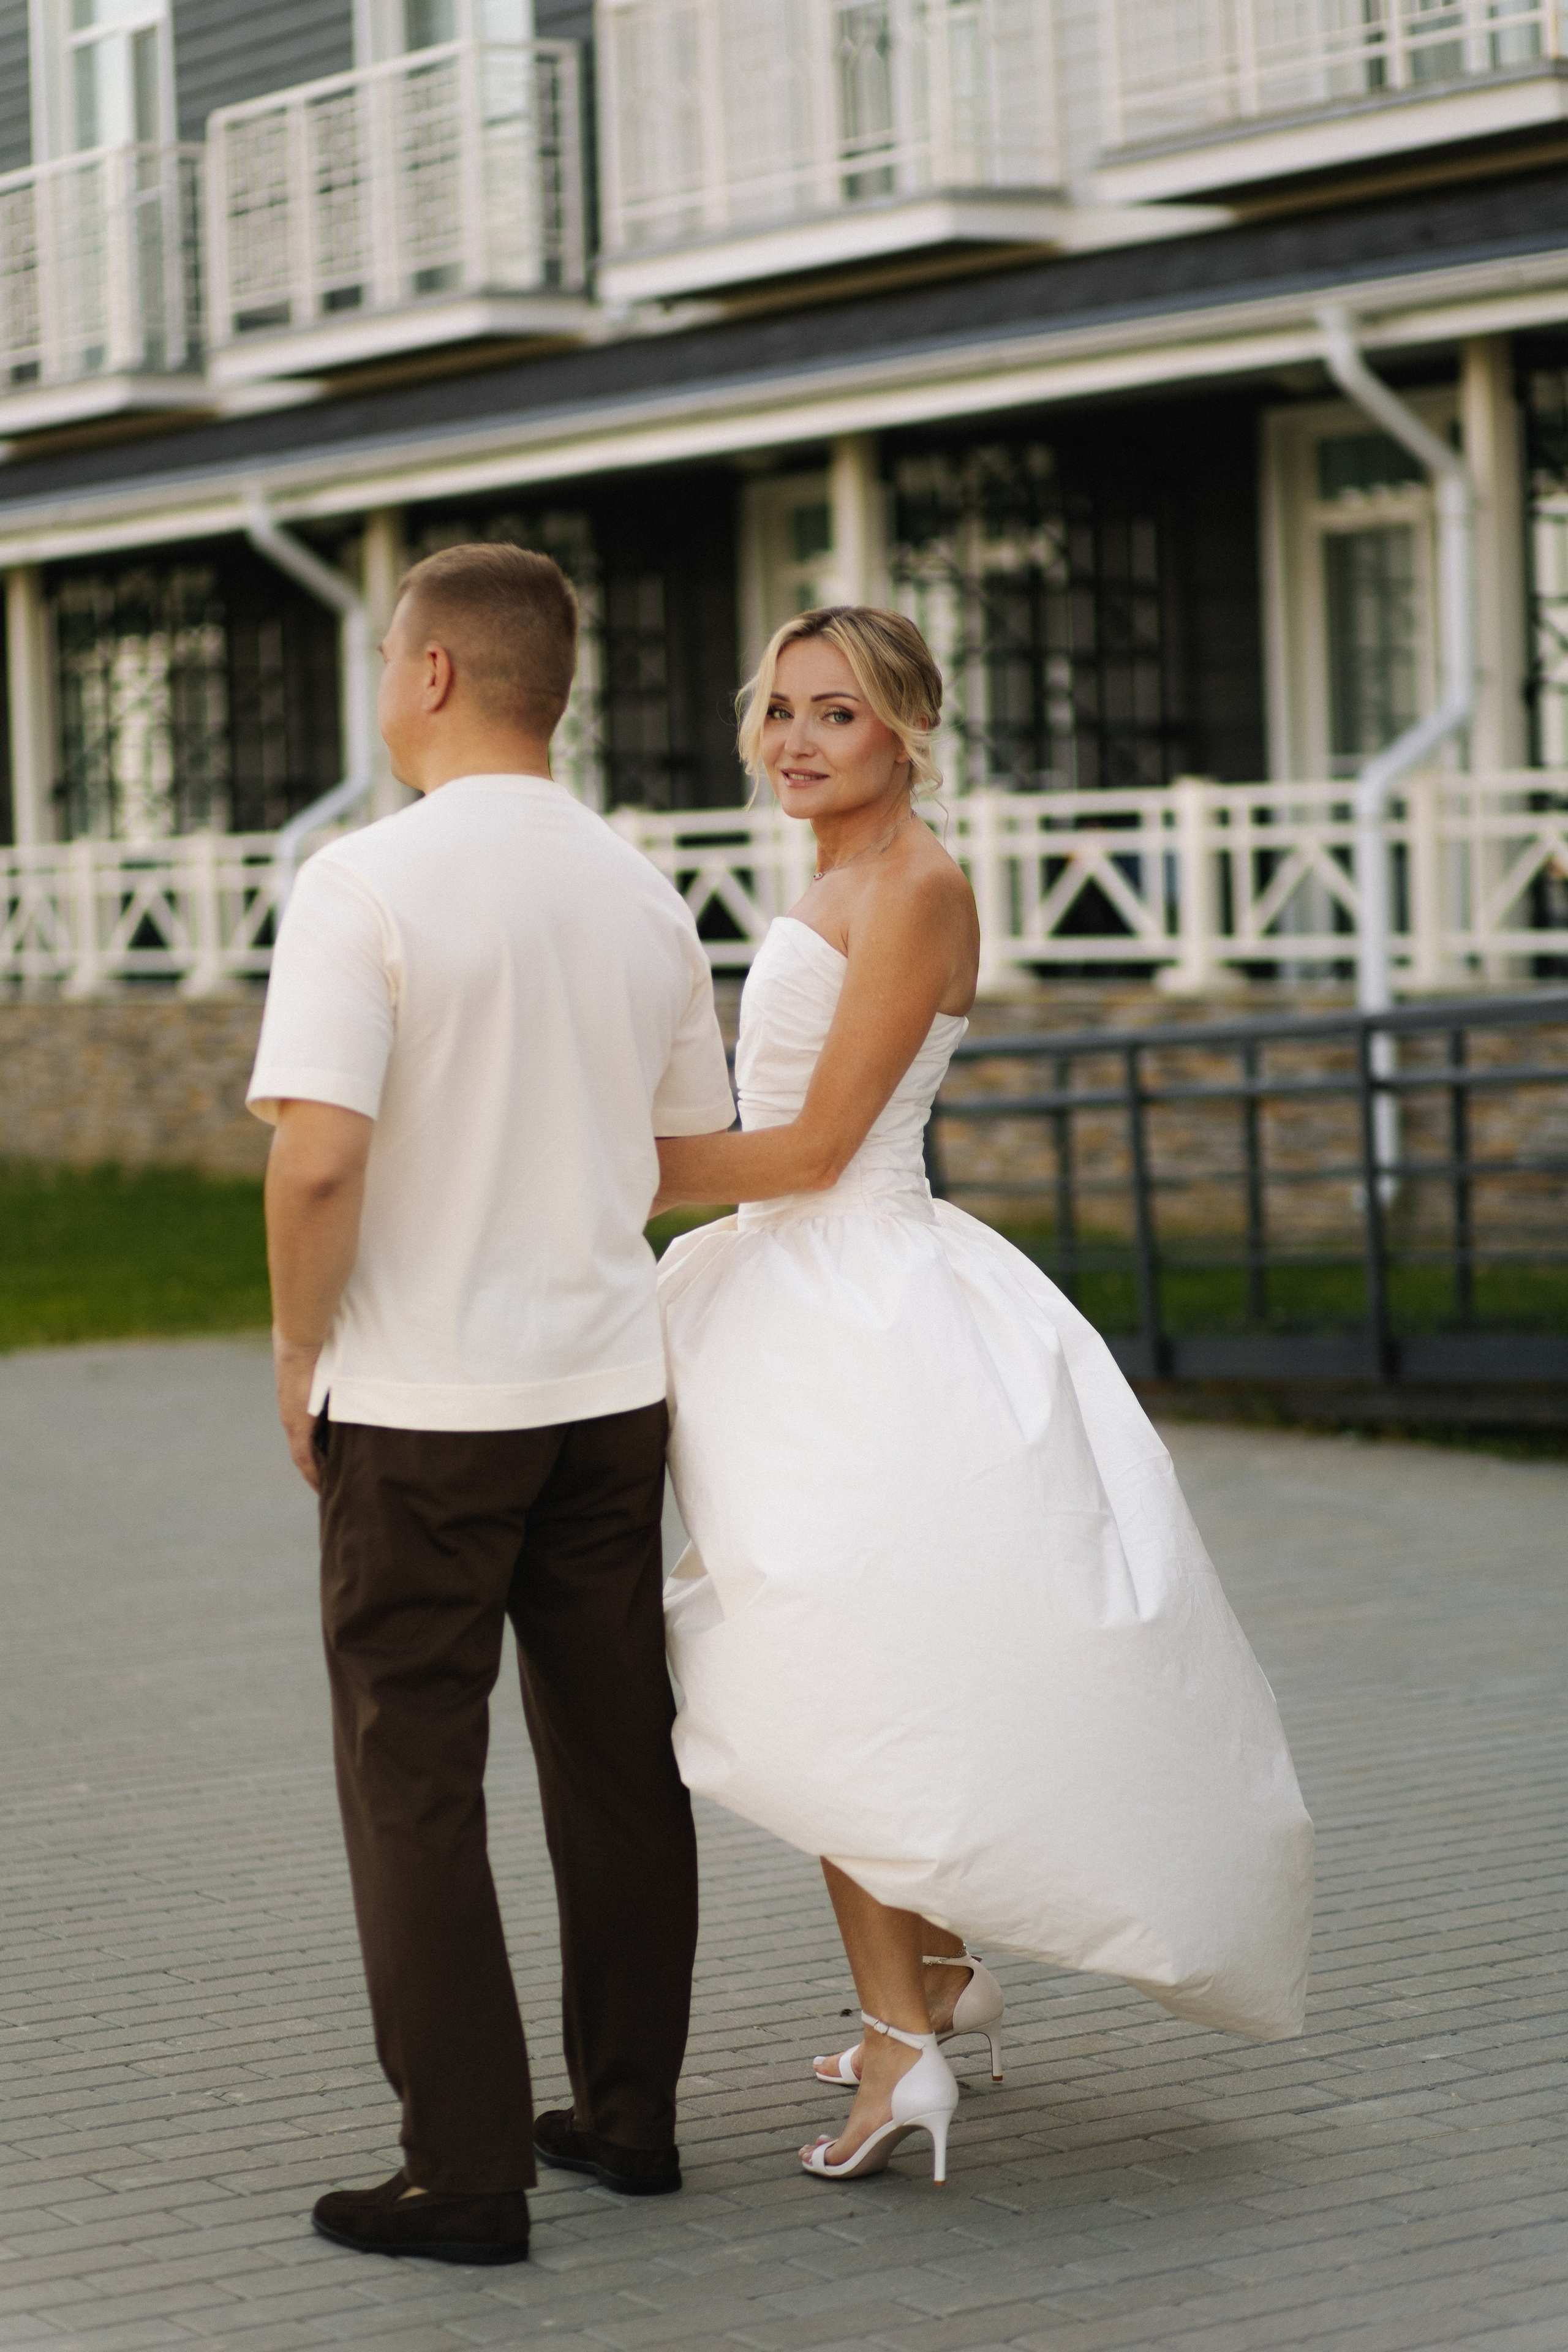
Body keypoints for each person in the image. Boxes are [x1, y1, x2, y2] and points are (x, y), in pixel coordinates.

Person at [652, 606, 1316, 2187]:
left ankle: (903, 2051)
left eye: (838, 714)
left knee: (832, 1682)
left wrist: (601, 1166)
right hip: (802, 1289)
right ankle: (939, 1981)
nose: (798, 741)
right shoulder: (844, 875)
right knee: (875, 1656)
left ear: (907, 731)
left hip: (859, 1298)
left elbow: (816, 1150)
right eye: (782, 711)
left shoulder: (916, 887)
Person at [249, 543, 734, 2264]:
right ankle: (629, 2115)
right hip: (606, 1392)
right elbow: (680, 1153)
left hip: (426, 1401)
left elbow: (318, 1159)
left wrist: (300, 1351)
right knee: (617, 1759)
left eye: (388, 654)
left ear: (437, 673)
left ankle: (463, 2174)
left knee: (414, 1772)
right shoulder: (643, 894)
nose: (383, 681)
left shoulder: (363, 882)